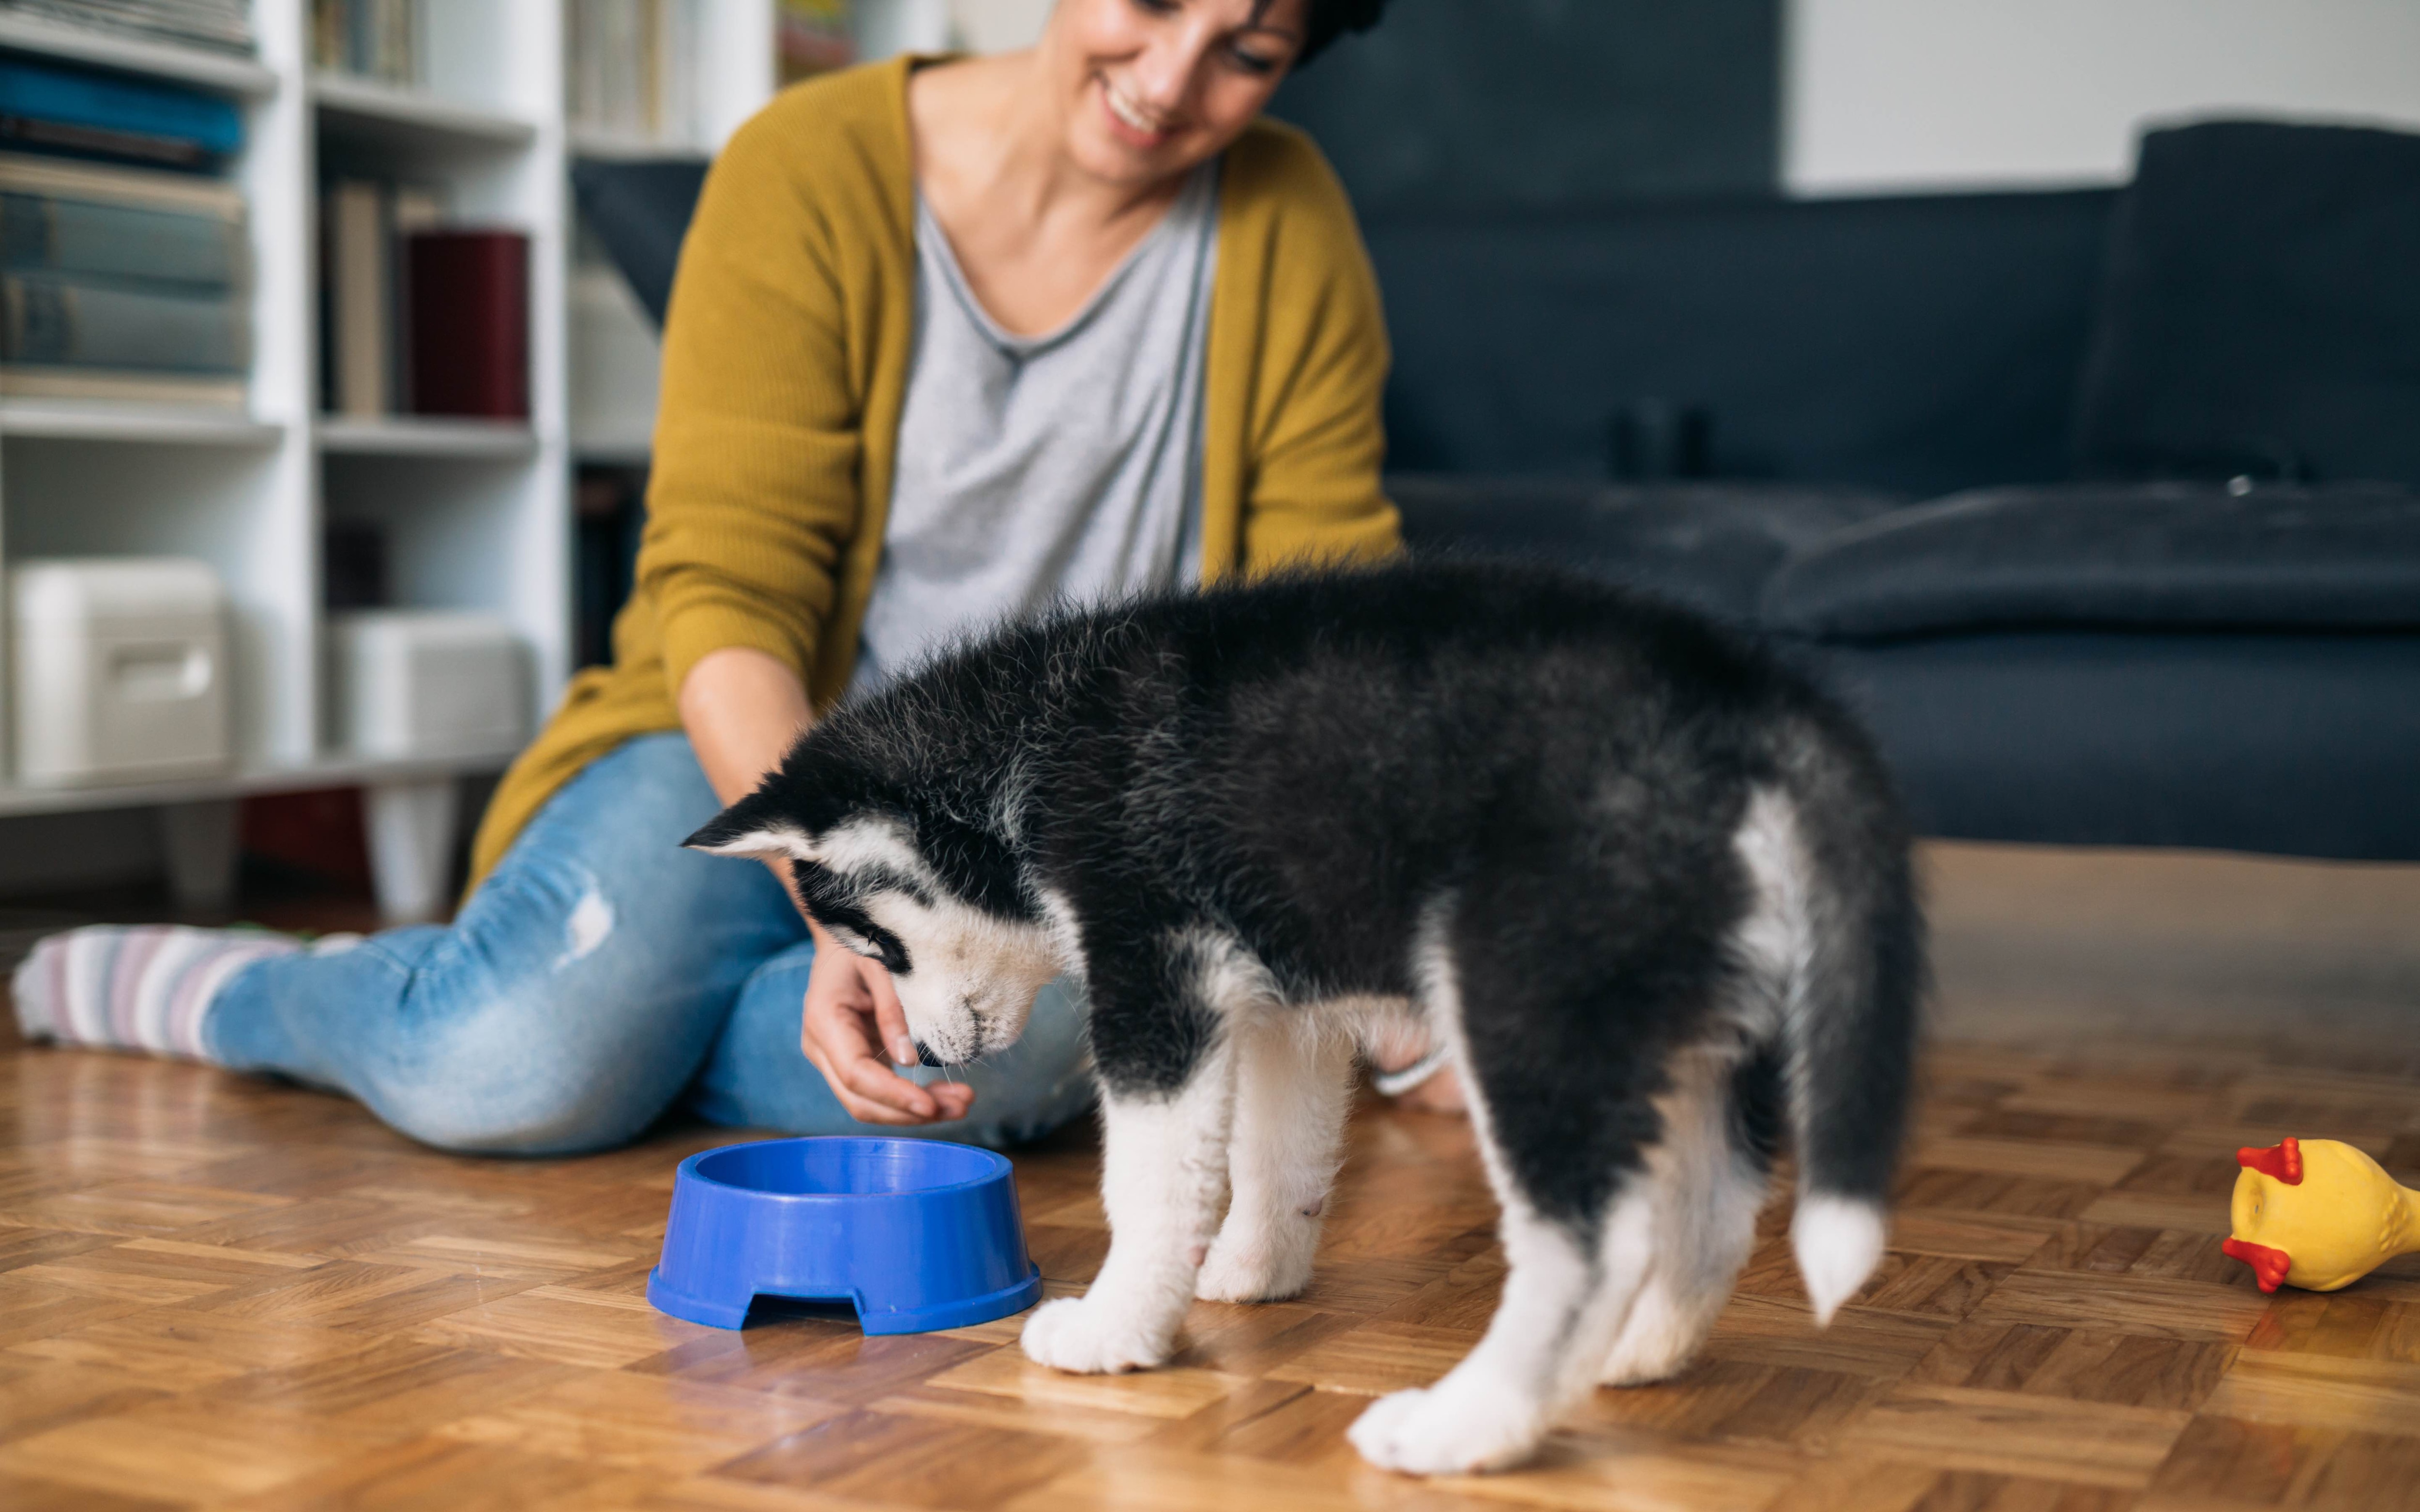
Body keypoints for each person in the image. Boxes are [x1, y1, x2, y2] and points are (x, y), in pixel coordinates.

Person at [12, 0, 1451, 1153]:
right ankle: (247, 989)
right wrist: (850, 898)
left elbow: (1318, 634)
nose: (1171, 77)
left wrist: (1397, 966)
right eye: (1151, 3)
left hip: (1043, 832)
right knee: (502, 1071)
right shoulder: (807, 166)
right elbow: (724, 594)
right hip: (736, 748)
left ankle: (620, 1015)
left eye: (1249, 53)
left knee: (1001, 1073)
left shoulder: (1286, 221)